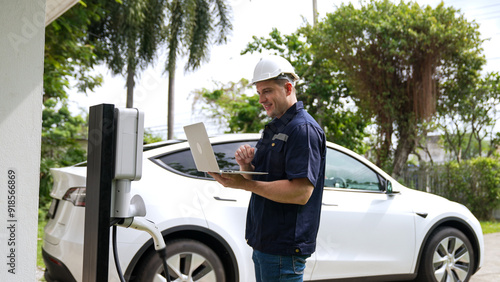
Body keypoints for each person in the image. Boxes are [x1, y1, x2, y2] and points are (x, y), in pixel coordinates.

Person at [209, 55, 326, 282]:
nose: (262, 99)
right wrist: (246, 165)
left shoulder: (303, 130)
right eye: (259, 93)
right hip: (264, 243)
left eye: (267, 91)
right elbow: (261, 178)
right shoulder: (273, 128)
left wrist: (246, 184)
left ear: (288, 87)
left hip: (283, 249)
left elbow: (301, 193)